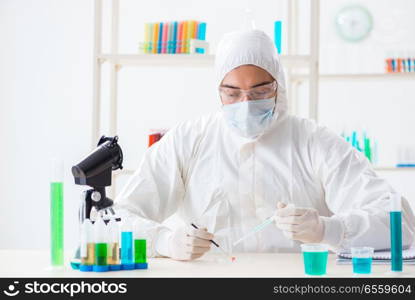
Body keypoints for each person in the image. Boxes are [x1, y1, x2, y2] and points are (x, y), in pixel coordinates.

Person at [114, 30, 415, 261]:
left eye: (259, 91)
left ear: (278, 86)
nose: (245, 104)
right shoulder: (188, 140)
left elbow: (400, 223)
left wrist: (328, 229)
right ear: (218, 91)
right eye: (232, 94)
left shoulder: (314, 142)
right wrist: (165, 241)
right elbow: (116, 219)